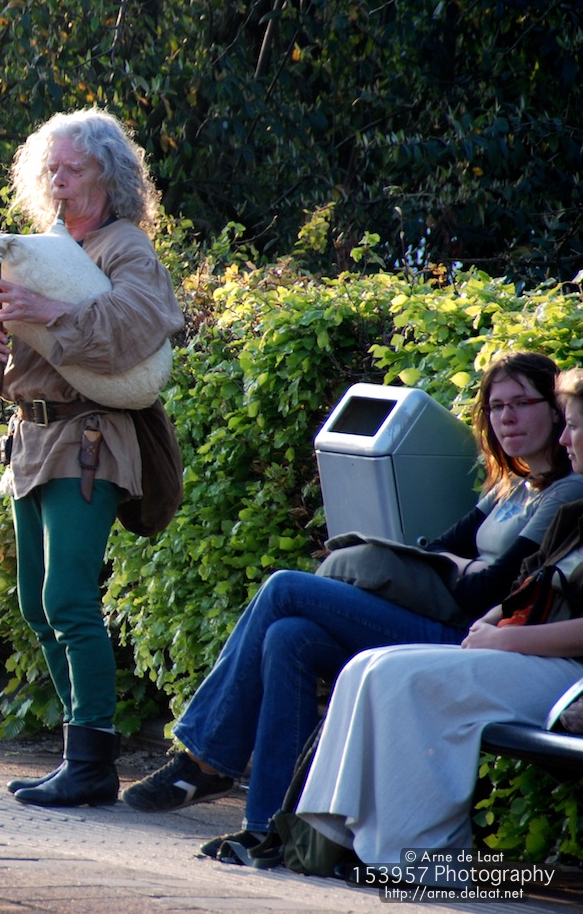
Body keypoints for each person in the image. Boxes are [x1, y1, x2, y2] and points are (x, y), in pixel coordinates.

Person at [122, 351, 583, 854]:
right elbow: (437, 551)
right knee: (289, 636)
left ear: (555, 410)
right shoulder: (511, 487)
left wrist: (463, 569)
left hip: (468, 639)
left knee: (284, 588)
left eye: (521, 403)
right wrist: (465, 567)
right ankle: (267, 828)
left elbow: (488, 592)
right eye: (496, 407)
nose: (506, 418)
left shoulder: (565, 491)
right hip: (440, 620)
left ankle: (206, 760)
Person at [0, 108, 184, 806]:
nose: (59, 179)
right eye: (51, 168)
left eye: (72, 168)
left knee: (68, 599)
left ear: (108, 173)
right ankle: (79, 756)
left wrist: (49, 313)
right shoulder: (39, 248)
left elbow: (138, 325)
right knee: (36, 606)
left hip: (89, 439)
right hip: (31, 438)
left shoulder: (125, 248)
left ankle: (92, 763)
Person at [295, 366, 583, 865]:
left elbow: (501, 584)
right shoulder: (564, 503)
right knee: (366, 666)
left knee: (394, 676)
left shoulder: (568, 493)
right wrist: (495, 619)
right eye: (497, 407)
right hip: (521, 648)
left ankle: (425, 858)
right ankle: (337, 842)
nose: (563, 438)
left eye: (573, 425)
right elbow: (532, 582)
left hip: (563, 674)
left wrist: (504, 638)